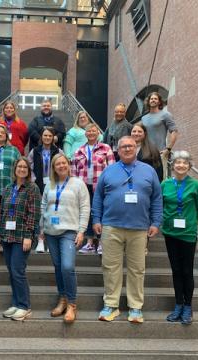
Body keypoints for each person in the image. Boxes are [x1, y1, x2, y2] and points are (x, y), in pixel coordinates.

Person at [93, 136, 162, 324]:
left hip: (139, 228)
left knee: (137, 269)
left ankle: (135, 307)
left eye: (131, 146)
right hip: (111, 226)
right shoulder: (109, 171)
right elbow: (98, 197)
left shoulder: (149, 171)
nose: (127, 149)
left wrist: (156, 222)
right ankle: (111, 305)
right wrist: (96, 219)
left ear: (136, 147)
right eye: (123, 146)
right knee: (110, 267)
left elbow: (156, 198)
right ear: (118, 150)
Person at [40, 154, 90, 323]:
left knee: (67, 267)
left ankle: (72, 303)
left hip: (69, 231)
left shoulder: (78, 184)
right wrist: (42, 227)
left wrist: (82, 231)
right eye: (57, 164)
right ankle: (62, 299)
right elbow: (43, 205)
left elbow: (85, 208)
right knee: (58, 266)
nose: (61, 166)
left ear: (68, 165)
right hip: (51, 232)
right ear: (53, 168)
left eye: (63, 163)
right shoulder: (50, 185)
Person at [161, 151, 198, 325]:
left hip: (187, 234)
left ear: (189, 166)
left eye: (184, 163)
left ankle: (188, 306)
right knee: (176, 270)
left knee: (187, 271)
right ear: (173, 166)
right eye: (178, 162)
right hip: (170, 233)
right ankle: (178, 304)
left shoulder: (195, 186)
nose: (181, 165)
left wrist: (192, 224)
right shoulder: (165, 184)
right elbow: (160, 205)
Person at [0, 157, 41, 321]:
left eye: (25, 167)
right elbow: (3, 211)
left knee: (18, 271)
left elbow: (34, 214)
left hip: (22, 236)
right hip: (7, 235)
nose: (22, 169)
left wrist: (29, 235)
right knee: (12, 271)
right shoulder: (9, 188)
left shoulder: (32, 188)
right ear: (15, 169)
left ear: (28, 171)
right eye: (19, 166)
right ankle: (16, 303)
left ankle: (24, 306)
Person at [72, 123, 115, 255]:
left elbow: (112, 168)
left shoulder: (106, 148)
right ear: (85, 134)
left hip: (101, 187)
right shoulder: (79, 151)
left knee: (101, 212)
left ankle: (101, 242)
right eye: (88, 131)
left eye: (93, 131)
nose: (91, 133)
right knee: (88, 213)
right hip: (84, 187)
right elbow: (73, 171)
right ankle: (90, 242)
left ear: (98, 133)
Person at [28, 127, 63, 253]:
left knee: (53, 210)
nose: (47, 138)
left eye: (49, 136)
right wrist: (33, 179)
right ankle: (41, 239)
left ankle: (51, 239)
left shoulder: (58, 151)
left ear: (53, 137)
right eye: (45, 135)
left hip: (54, 186)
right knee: (40, 212)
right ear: (41, 137)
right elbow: (28, 166)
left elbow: (63, 166)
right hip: (38, 185)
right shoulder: (35, 151)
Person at [141, 92, 178, 178]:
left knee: (160, 179)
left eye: (155, 99)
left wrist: (168, 149)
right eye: (151, 99)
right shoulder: (143, 118)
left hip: (160, 153)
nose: (153, 100)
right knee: (145, 178)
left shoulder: (165, 115)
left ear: (159, 102)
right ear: (148, 101)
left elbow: (174, 131)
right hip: (145, 153)